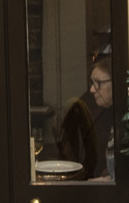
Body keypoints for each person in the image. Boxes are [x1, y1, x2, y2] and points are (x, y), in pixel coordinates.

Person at [48, 49, 119, 182]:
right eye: (92, 83)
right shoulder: (92, 106)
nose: (92, 90)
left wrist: (108, 179)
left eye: (98, 83)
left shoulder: (127, 117)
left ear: (115, 82)